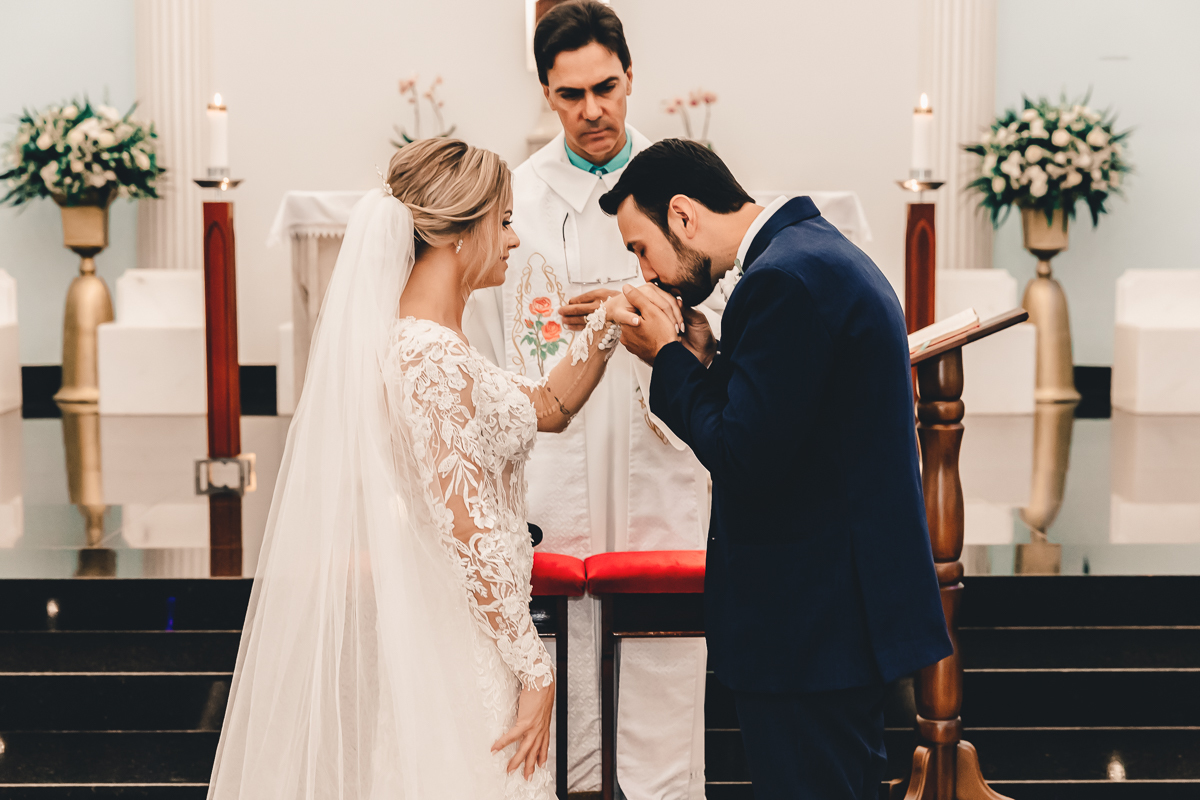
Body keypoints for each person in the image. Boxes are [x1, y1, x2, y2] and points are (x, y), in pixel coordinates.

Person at [208, 139, 637, 800]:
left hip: (468, 628)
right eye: (503, 222)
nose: (513, 240)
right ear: (457, 234)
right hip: (461, 637)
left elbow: (545, 407)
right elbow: (468, 528)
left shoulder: (434, 343)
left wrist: (606, 323)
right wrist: (535, 667)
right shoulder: (429, 354)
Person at [599, 140, 955, 800]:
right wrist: (707, 360)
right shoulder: (810, 253)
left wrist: (667, 357)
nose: (646, 273)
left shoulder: (780, 281)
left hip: (810, 626)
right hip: (833, 616)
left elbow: (745, 457)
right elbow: (790, 424)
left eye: (641, 249)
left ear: (682, 215)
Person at [465, 3, 709, 797]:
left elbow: (728, 308)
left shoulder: (682, 183)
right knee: (556, 641)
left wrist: (650, 308)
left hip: (655, 445)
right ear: (545, 93)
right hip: (552, 459)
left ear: (631, 76)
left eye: (606, 87)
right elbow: (483, 332)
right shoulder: (518, 197)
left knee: (659, 655)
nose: (593, 110)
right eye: (571, 95)